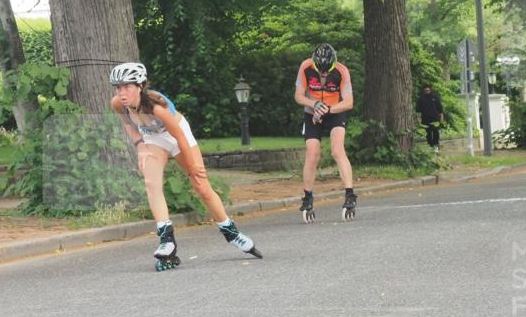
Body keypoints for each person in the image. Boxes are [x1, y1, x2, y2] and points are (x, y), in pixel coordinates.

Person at [108, 62, 262, 271]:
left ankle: (231, 233)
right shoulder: (117, 104)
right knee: (151, 184)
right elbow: (128, 125)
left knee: (200, 185)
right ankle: (167, 241)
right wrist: (140, 146)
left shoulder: (156, 107)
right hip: (152, 138)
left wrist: (192, 165)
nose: (121, 92)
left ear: (140, 86)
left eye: (127, 86)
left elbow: (178, 136)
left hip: (177, 134)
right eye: (118, 87)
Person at [294, 43, 356, 222]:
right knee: (312, 153)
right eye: (320, 71)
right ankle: (307, 197)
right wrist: (314, 105)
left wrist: (327, 110)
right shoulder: (305, 67)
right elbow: (298, 95)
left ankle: (350, 195)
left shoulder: (342, 71)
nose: (323, 75)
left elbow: (349, 101)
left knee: (337, 150)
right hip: (312, 111)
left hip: (335, 111)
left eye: (326, 71)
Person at [416, 84, 446, 153]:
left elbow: (440, 109)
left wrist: (441, 117)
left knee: (436, 132)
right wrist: (418, 119)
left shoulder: (435, 98)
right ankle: (430, 145)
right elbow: (418, 110)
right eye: (425, 90)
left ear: (430, 90)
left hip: (435, 119)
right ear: (423, 91)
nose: (427, 91)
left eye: (428, 90)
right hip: (425, 119)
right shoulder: (421, 99)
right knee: (428, 133)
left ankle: (436, 146)